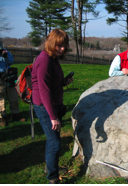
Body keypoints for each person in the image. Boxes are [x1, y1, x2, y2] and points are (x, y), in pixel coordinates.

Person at [31, 29, 73, 184]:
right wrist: (53, 117)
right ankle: (53, 178)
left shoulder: (53, 59)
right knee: (55, 143)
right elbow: (44, 91)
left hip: (53, 105)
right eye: (59, 45)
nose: (62, 48)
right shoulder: (44, 60)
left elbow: (51, 83)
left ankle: (50, 167)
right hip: (45, 108)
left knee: (51, 140)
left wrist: (63, 82)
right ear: (51, 43)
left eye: (64, 45)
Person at [0, 40, 25, 126]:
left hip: (8, 76)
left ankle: (15, 114)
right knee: (1, 98)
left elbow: (11, 61)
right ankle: (2, 118)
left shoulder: (5, 51)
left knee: (13, 97)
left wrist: (6, 56)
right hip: (0, 77)